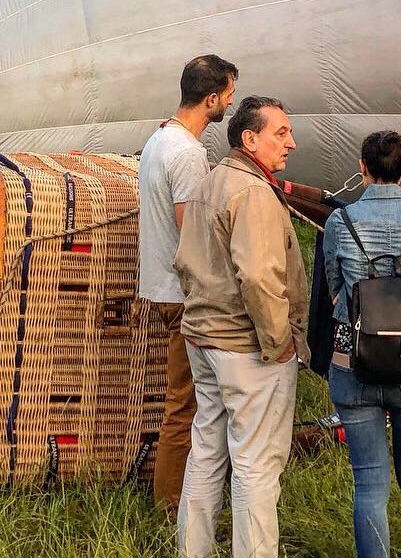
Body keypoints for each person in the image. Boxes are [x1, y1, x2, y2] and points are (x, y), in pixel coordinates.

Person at [174, 96, 307, 558]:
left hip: (204, 337)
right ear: (250, 139)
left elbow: (186, 261)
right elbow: (258, 277)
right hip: (245, 346)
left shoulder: (213, 181)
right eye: (281, 133)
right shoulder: (252, 192)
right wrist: (280, 344)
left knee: (207, 451)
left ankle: (194, 550)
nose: (291, 142)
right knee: (256, 463)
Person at [323, 131, 401, 558]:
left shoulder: (338, 223)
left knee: (369, 483)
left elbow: (335, 292)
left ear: (362, 169)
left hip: (352, 364)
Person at [137, 54, 239, 512]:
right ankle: (171, 506)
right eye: (229, 97)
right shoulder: (188, 154)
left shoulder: (158, 140)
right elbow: (192, 231)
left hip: (161, 287)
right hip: (184, 296)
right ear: (212, 98)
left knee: (187, 401)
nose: (230, 106)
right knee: (187, 406)